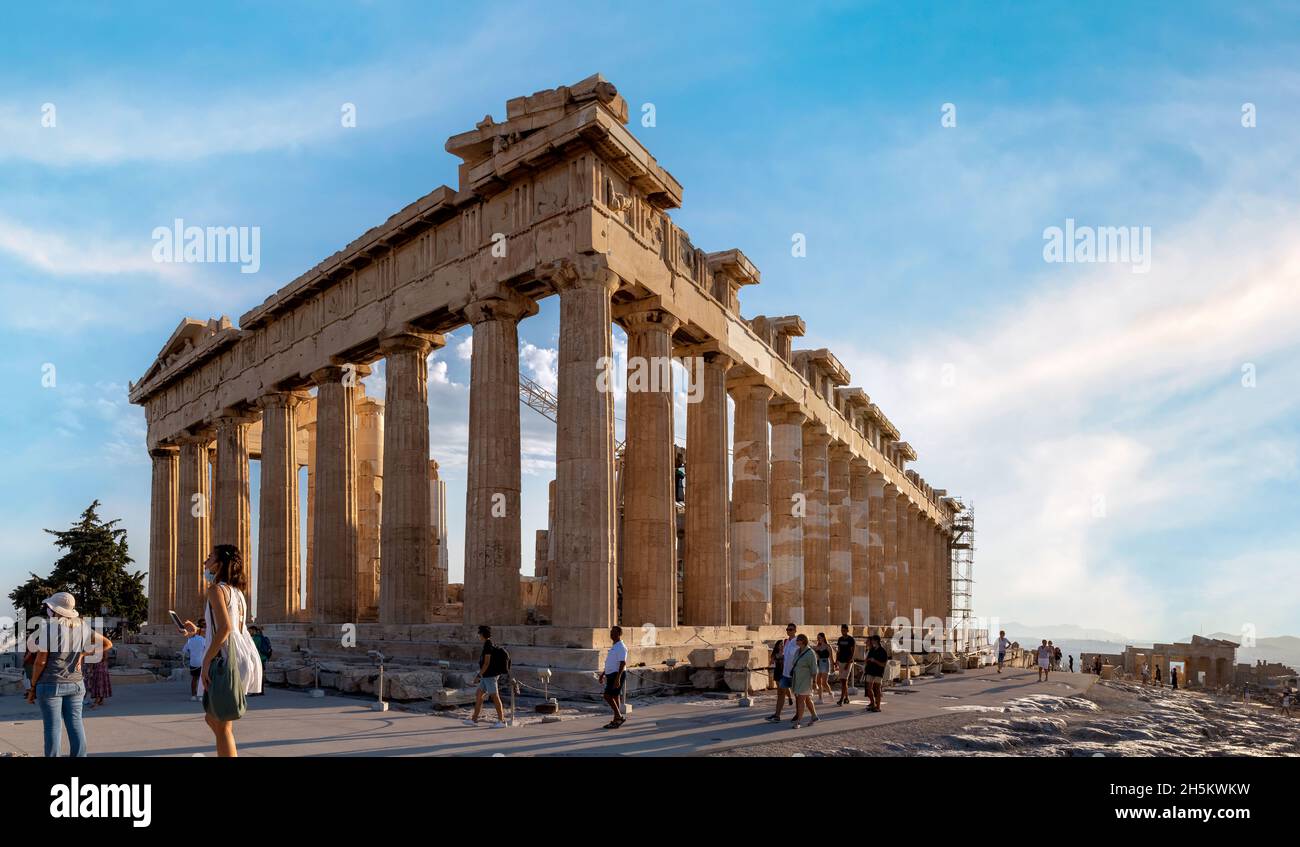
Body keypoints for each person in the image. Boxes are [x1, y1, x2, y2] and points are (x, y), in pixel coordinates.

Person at [180, 544, 262, 758]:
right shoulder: (237, 593)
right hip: (242, 657)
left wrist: (205, 662)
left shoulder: (216, 589)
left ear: (220, 564)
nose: (205, 562)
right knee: (214, 719)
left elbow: (225, 629)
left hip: (226, 659)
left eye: (209, 557)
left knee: (222, 724)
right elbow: (231, 628)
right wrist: (198, 630)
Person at [25, 592, 112, 757]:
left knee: (52, 727)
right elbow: (107, 643)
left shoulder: (48, 628)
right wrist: (83, 654)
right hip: (76, 684)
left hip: (50, 683)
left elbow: (40, 661)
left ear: (54, 609)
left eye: (49, 607)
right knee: (76, 725)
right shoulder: (82, 626)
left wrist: (33, 687)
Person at [467, 624, 507, 727]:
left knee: (495, 696)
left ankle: (502, 721)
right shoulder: (486, 644)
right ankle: (474, 719)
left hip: (490, 675)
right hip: (486, 675)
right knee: (479, 694)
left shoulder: (488, 646)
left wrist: (478, 675)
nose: (478, 635)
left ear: (482, 634)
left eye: (479, 633)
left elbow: (486, 663)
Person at [766, 623, 800, 723]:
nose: (789, 631)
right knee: (780, 693)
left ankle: (800, 714)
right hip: (784, 672)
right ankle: (777, 715)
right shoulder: (786, 641)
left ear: (795, 630)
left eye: (791, 629)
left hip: (794, 672)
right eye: (787, 629)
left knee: (799, 695)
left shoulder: (798, 641)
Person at [600, 625, 628, 729]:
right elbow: (611, 663)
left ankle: (619, 717)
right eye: (611, 632)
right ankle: (616, 719)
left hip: (617, 675)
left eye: (614, 632)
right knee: (615, 697)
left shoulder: (621, 646)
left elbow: (622, 663)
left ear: (619, 634)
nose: (611, 634)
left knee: (607, 696)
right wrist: (603, 674)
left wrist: (617, 679)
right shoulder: (614, 646)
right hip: (611, 675)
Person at [789, 634, 819, 728]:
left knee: (801, 699)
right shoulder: (798, 651)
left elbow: (814, 669)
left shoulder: (810, 653)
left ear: (802, 641)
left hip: (806, 680)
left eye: (798, 640)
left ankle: (798, 721)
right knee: (806, 699)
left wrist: (814, 682)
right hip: (797, 679)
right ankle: (814, 716)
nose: (796, 641)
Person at [863, 633, 889, 712]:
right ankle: (873, 703)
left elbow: (883, 664)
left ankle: (878, 707)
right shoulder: (872, 650)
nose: (872, 641)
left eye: (873, 640)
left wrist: (875, 661)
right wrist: (868, 660)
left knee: (877, 689)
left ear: (877, 641)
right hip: (870, 670)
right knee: (869, 688)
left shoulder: (883, 651)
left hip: (878, 671)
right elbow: (867, 659)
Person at [182, 620, 207, 701]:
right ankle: (201, 695)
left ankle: (193, 695)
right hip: (201, 662)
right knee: (201, 679)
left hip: (193, 662)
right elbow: (206, 649)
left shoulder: (190, 640)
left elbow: (184, 650)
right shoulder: (203, 640)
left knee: (194, 679)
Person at [83, 644, 112, 708]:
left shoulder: (99, 650)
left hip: (99, 670)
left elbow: (93, 661)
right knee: (101, 685)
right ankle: (101, 700)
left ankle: (96, 702)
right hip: (102, 669)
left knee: (98, 685)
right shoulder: (102, 650)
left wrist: (90, 670)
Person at [835, 624, 856, 706]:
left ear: (847, 630)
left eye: (844, 630)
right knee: (843, 681)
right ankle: (846, 698)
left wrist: (848, 663)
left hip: (848, 662)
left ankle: (841, 699)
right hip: (840, 661)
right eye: (842, 630)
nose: (843, 632)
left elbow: (853, 652)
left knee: (844, 681)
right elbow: (839, 650)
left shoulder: (851, 640)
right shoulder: (840, 639)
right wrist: (836, 660)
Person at [813, 633, 833, 704]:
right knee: (818, 681)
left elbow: (831, 657)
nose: (818, 639)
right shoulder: (817, 647)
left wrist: (832, 666)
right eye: (817, 638)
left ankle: (830, 693)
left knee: (824, 682)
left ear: (823, 638)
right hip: (818, 664)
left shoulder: (827, 646)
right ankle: (820, 698)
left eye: (819, 637)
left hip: (825, 663)